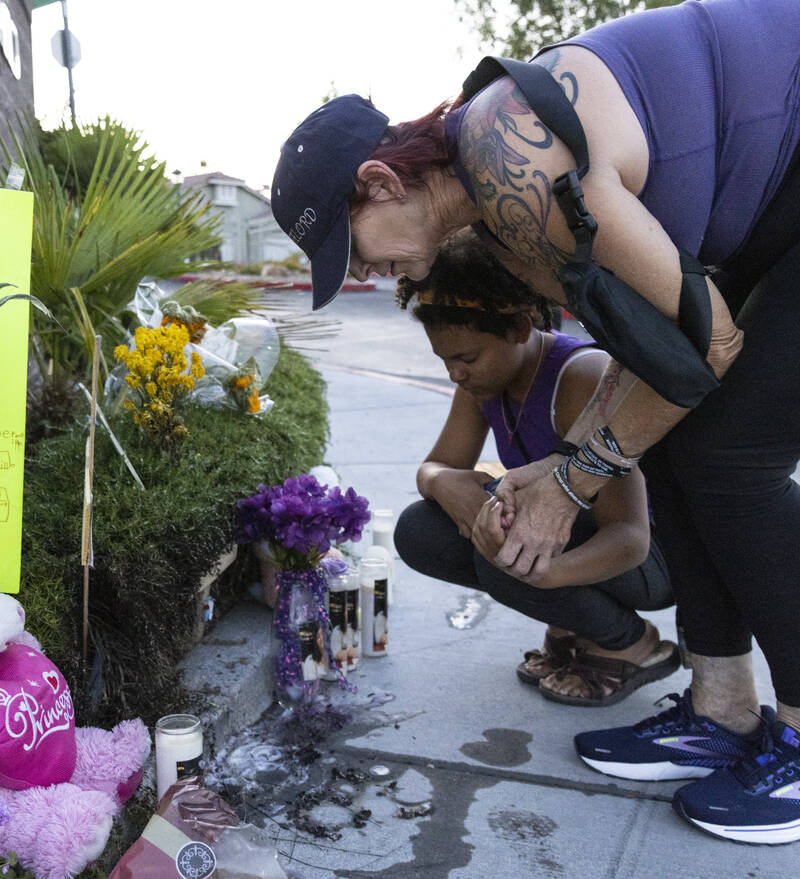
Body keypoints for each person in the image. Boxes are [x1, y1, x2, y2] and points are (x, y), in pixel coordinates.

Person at [269, 0, 800, 844]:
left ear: (380, 182)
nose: (366, 271)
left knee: (734, 452)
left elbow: (707, 349)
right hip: (774, 197)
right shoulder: (497, 218)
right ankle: (723, 707)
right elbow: (649, 350)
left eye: (356, 247)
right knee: (680, 441)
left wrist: (568, 480)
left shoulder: (506, 158)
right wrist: (562, 467)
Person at [392, 236, 675, 706]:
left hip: (655, 560)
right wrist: (446, 484)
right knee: (420, 530)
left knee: (509, 555)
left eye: (466, 359)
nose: (455, 374)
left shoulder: (581, 378)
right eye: (444, 360)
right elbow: (435, 467)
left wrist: (550, 578)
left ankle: (631, 643)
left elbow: (630, 535)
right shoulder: (484, 381)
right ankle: (572, 625)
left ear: (521, 328)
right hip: (579, 539)